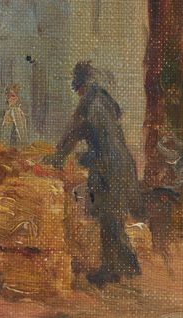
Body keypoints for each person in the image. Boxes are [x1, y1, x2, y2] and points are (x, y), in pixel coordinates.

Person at [46, 62, 142, 287]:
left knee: (109, 219)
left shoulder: (90, 107)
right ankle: (124, 267)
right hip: (121, 166)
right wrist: (81, 157)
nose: (78, 93)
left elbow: (75, 135)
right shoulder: (103, 101)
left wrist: (58, 160)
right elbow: (101, 139)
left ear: (80, 86)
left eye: (77, 88)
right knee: (113, 219)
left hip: (109, 169)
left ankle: (115, 270)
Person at [0, 84, 30, 148]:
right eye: (8, 95)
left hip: (12, 145)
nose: (9, 98)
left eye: (13, 96)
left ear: (17, 98)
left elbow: (20, 129)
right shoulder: (8, 110)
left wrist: (25, 145)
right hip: (5, 145)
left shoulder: (15, 110)